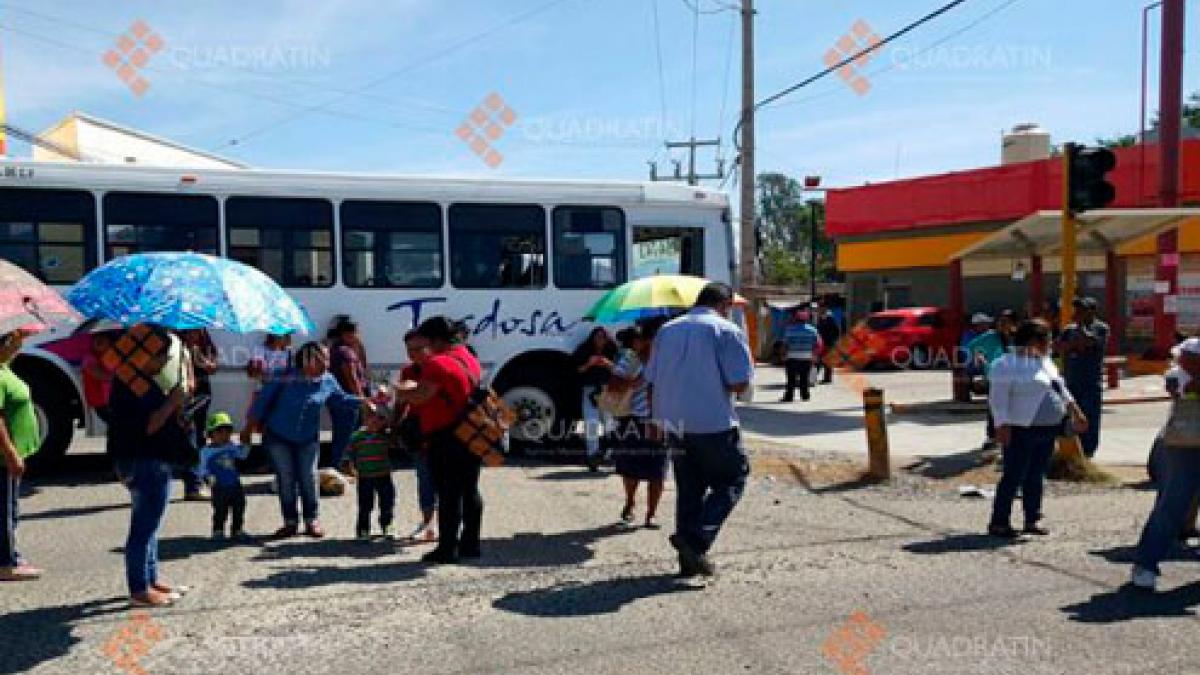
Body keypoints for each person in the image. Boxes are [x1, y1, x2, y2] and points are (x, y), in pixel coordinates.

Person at [645, 282, 754, 578]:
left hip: (674, 424)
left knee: (689, 489)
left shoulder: (667, 330)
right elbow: (738, 383)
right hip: (713, 423)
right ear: (726, 304)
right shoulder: (726, 330)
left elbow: (651, 380)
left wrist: (654, 420)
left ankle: (688, 563)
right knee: (732, 478)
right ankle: (695, 540)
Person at [242, 342, 364, 539]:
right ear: (307, 359)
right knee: (286, 479)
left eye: (327, 358)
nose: (327, 363)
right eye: (322, 358)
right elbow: (261, 403)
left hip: (307, 438)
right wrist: (248, 430)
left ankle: (311, 520)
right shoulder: (283, 375)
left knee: (309, 477)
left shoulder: (328, 380)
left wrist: (365, 401)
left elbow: (341, 400)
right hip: (278, 436)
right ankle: (290, 522)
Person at [107, 326, 193, 607]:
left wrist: (177, 411)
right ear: (144, 354)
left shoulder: (137, 379)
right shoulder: (131, 385)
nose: (164, 362)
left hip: (148, 457)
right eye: (161, 356)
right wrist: (172, 403)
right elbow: (148, 425)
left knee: (151, 525)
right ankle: (139, 588)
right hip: (144, 459)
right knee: (144, 527)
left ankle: (150, 577)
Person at [987, 319, 1088, 539]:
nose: (1050, 344)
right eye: (1048, 340)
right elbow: (998, 399)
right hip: (1021, 428)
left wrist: (1075, 411)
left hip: (1047, 428)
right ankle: (999, 521)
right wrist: (1001, 425)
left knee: (1036, 475)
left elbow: (1060, 387)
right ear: (1034, 340)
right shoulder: (1006, 364)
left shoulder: (1045, 361)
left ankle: (1032, 518)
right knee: (1013, 475)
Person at [395, 316, 484, 565]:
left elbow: (422, 397)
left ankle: (447, 549)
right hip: (471, 429)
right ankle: (471, 543)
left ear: (434, 339)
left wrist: (399, 391)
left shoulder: (437, 363)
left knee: (448, 494)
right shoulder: (466, 356)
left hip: (446, 435)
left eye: (423, 339)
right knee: (469, 489)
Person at [1132, 337, 1200, 591]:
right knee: (1172, 506)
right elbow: (1185, 389)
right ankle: (1145, 564)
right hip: (1182, 447)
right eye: (1189, 357)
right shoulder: (1176, 376)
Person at [608, 323, 667, 529]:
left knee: (658, 471)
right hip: (631, 419)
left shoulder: (667, 361)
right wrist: (635, 381)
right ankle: (630, 502)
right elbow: (613, 386)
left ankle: (651, 514)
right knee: (630, 468)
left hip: (659, 420)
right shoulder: (630, 360)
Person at [0, 330, 42, 582]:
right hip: (3, 458)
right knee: (5, 511)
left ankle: (9, 555)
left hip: (11, 455)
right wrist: (12, 454)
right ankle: (6, 562)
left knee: (9, 507)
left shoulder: (5, 368)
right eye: (15, 340)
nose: (20, 344)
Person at [395, 330, 438, 543]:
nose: (413, 354)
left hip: (441, 431)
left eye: (418, 349)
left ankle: (442, 524)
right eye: (409, 350)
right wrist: (394, 425)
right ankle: (428, 522)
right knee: (424, 477)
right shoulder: (408, 371)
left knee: (443, 480)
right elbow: (401, 402)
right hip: (418, 431)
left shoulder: (439, 369)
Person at [1056, 297, 1109, 458]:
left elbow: (1091, 342)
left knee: (1089, 416)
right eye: (1076, 309)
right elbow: (1058, 346)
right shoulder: (1068, 330)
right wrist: (1074, 344)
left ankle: (1088, 450)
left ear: (1092, 311)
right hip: (1071, 379)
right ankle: (1072, 449)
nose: (1077, 313)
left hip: (1090, 380)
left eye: (1082, 310)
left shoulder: (1100, 328)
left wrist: (1081, 332)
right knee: (1070, 417)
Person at [344, 404, 397, 541]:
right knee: (365, 505)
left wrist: (390, 427)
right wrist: (348, 466)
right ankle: (363, 530)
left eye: (379, 418)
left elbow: (397, 442)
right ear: (364, 419)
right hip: (365, 476)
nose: (375, 421)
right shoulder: (357, 436)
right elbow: (348, 452)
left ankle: (387, 525)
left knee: (387, 503)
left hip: (383, 475)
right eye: (370, 417)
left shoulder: (386, 435)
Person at [967, 310, 1017, 451]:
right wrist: (980, 357)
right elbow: (971, 346)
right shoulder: (991, 336)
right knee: (995, 408)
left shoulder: (1017, 338)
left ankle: (1010, 437)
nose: (1002, 324)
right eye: (1001, 321)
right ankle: (992, 437)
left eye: (1006, 321)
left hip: (1015, 378)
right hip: (995, 377)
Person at [328, 316, 370, 473]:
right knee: (346, 436)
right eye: (356, 333)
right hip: (349, 400)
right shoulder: (345, 353)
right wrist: (363, 399)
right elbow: (352, 379)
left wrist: (359, 346)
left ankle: (344, 466)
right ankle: (338, 467)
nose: (358, 336)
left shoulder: (338, 349)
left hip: (339, 400)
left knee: (343, 434)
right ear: (347, 334)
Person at [572, 327, 618, 471]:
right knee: (591, 422)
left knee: (609, 422)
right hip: (590, 390)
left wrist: (608, 364)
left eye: (603, 337)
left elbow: (621, 370)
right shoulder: (584, 350)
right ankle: (592, 456)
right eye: (597, 337)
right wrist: (589, 363)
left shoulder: (613, 351)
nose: (600, 340)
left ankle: (611, 453)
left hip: (607, 390)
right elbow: (577, 370)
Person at [199, 411, 249, 541]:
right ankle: (218, 530)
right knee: (220, 509)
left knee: (239, 506)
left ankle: (237, 529)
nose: (224, 435)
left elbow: (242, 455)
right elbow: (201, 467)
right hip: (219, 486)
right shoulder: (206, 451)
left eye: (227, 431)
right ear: (211, 434)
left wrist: (246, 444)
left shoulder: (231, 446)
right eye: (219, 432)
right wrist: (206, 477)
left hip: (234, 483)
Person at [180, 329, 217, 501]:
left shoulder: (205, 344)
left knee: (201, 437)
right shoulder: (176, 346)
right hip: (185, 397)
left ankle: (202, 476)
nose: (193, 334)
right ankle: (193, 485)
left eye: (197, 331)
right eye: (190, 331)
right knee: (190, 439)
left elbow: (212, 366)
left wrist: (205, 361)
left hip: (202, 395)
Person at [780, 311, 822, 403]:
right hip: (806, 357)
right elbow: (818, 344)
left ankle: (789, 396)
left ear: (796, 319)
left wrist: (783, 355)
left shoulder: (790, 330)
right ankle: (805, 395)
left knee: (791, 378)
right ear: (806, 320)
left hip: (792, 357)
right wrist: (815, 355)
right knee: (804, 377)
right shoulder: (813, 330)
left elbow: (785, 344)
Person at [82, 332, 116, 425]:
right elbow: (98, 374)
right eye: (96, 341)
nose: (98, 343)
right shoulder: (90, 358)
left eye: (102, 341)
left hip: (109, 401)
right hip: (101, 402)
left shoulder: (110, 357)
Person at [815, 306, 841, 384]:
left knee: (825, 362)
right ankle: (816, 377)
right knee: (820, 361)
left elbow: (836, 332)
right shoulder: (821, 320)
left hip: (828, 343)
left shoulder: (830, 320)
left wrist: (833, 341)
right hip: (823, 343)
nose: (819, 313)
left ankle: (826, 378)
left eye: (820, 311)